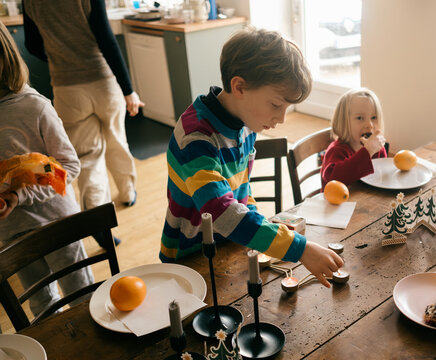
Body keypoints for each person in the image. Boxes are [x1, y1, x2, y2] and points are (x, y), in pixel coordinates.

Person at [160, 27, 343, 287]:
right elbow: (221, 212)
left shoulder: (245, 122)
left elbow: (239, 190)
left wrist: (263, 228)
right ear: (239, 87)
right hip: (190, 260)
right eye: (276, 105)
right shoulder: (196, 138)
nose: (281, 118)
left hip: (230, 246)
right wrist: (299, 248)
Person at [22, 0, 145, 246]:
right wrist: (129, 90)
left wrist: (62, 58)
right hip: (102, 82)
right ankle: (127, 192)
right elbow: (106, 40)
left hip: (67, 89)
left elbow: (32, 45)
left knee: (88, 157)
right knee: (116, 140)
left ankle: (98, 223)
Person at [0, 21, 94, 322]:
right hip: (12, 232)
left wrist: (19, 193)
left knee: (83, 297)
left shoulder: (34, 107)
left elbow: (68, 166)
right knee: (42, 309)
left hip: (57, 222)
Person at [321, 88, 387, 189]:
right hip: (337, 203)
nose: (369, 125)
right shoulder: (336, 151)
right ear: (344, 122)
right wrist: (367, 152)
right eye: (360, 118)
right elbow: (333, 180)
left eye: (374, 117)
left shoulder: (377, 148)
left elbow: (382, 177)